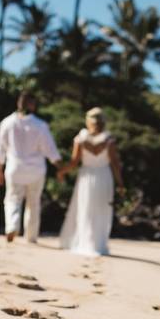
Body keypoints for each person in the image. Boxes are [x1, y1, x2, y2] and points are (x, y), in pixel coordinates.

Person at [0, 92, 63, 243]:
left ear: (19, 103)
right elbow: (51, 150)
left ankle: (12, 226)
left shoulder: (6, 123)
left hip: (15, 167)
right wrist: (60, 167)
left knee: (12, 199)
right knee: (34, 203)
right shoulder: (40, 125)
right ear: (32, 104)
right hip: (36, 170)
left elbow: (0, 149)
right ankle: (31, 236)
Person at [57, 108, 125, 256]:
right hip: (103, 177)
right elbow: (115, 164)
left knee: (84, 209)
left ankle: (84, 242)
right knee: (101, 210)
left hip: (86, 177)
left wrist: (62, 171)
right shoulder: (108, 140)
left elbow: (74, 162)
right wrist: (120, 184)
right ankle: (97, 244)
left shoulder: (81, 139)